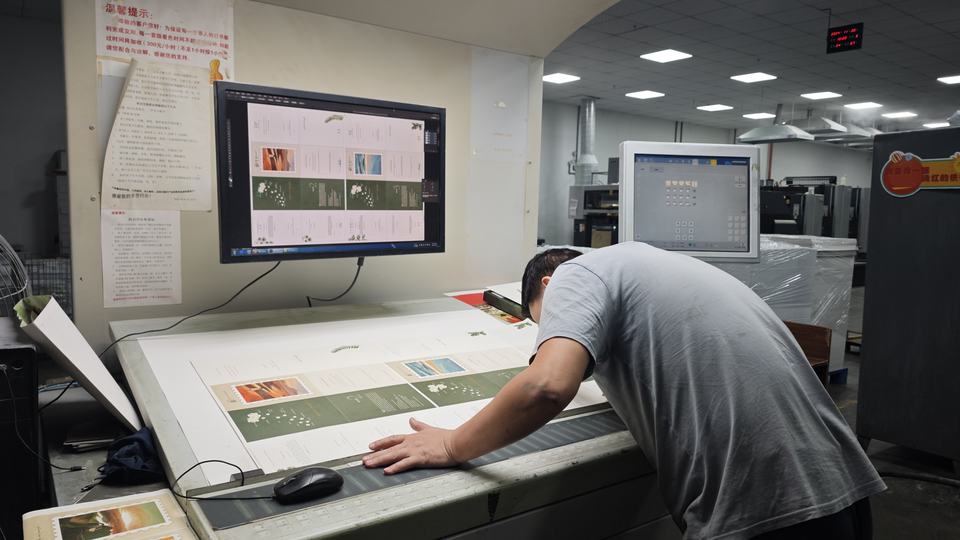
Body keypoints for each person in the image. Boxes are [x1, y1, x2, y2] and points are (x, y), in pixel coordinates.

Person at [362, 242, 885, 539]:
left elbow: (547, 386)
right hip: (842, 486)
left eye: (545, 326)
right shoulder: (652, 266)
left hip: (767, 511)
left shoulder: (574, 276)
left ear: (546, 287)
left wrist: (453, 443)